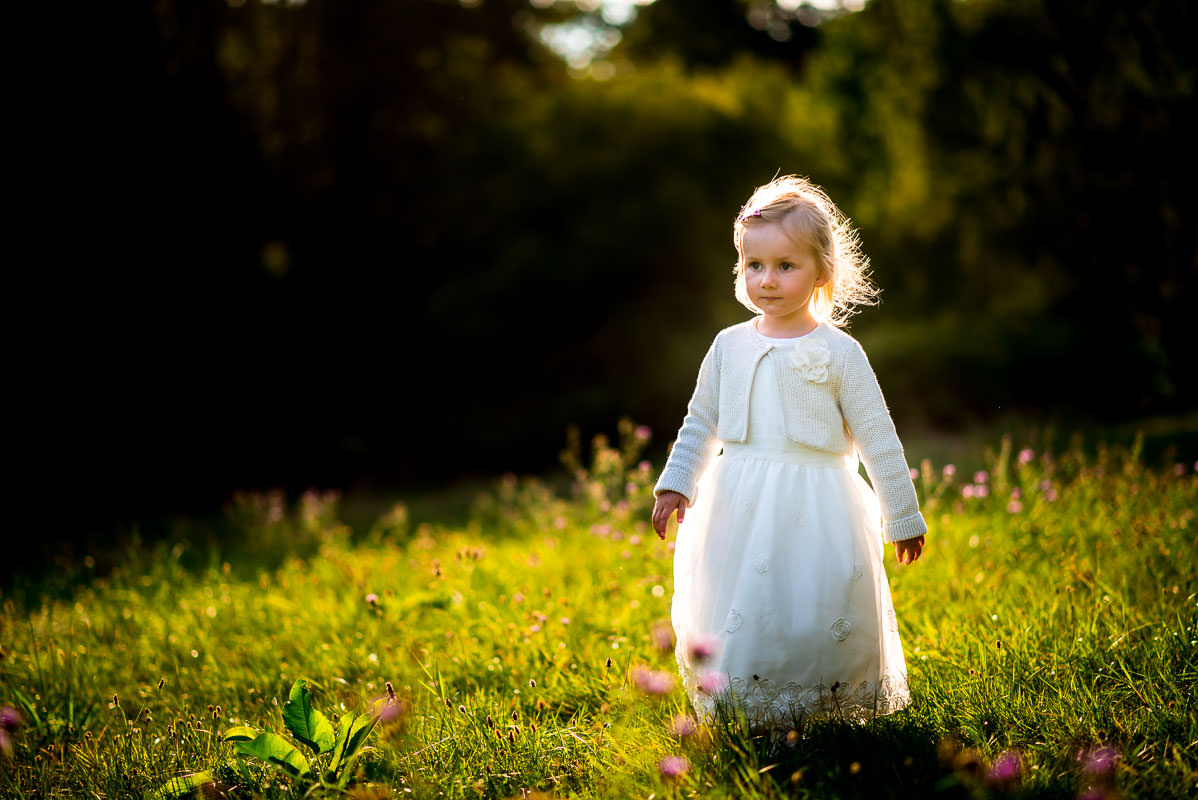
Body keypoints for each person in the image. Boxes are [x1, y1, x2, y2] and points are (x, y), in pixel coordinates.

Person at [651, 175, 926, 731]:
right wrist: (676, 481)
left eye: (785, 266)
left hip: (819, 503)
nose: (767, 280)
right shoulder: (728, 346)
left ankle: (826, 710)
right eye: (754, 265)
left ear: (822, 271)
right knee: (745, 606)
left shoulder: (840, 352)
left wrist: (901, 514)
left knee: (813, 608)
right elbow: (701, 420)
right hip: (739, 501)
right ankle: (748, 710)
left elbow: (877, 435)